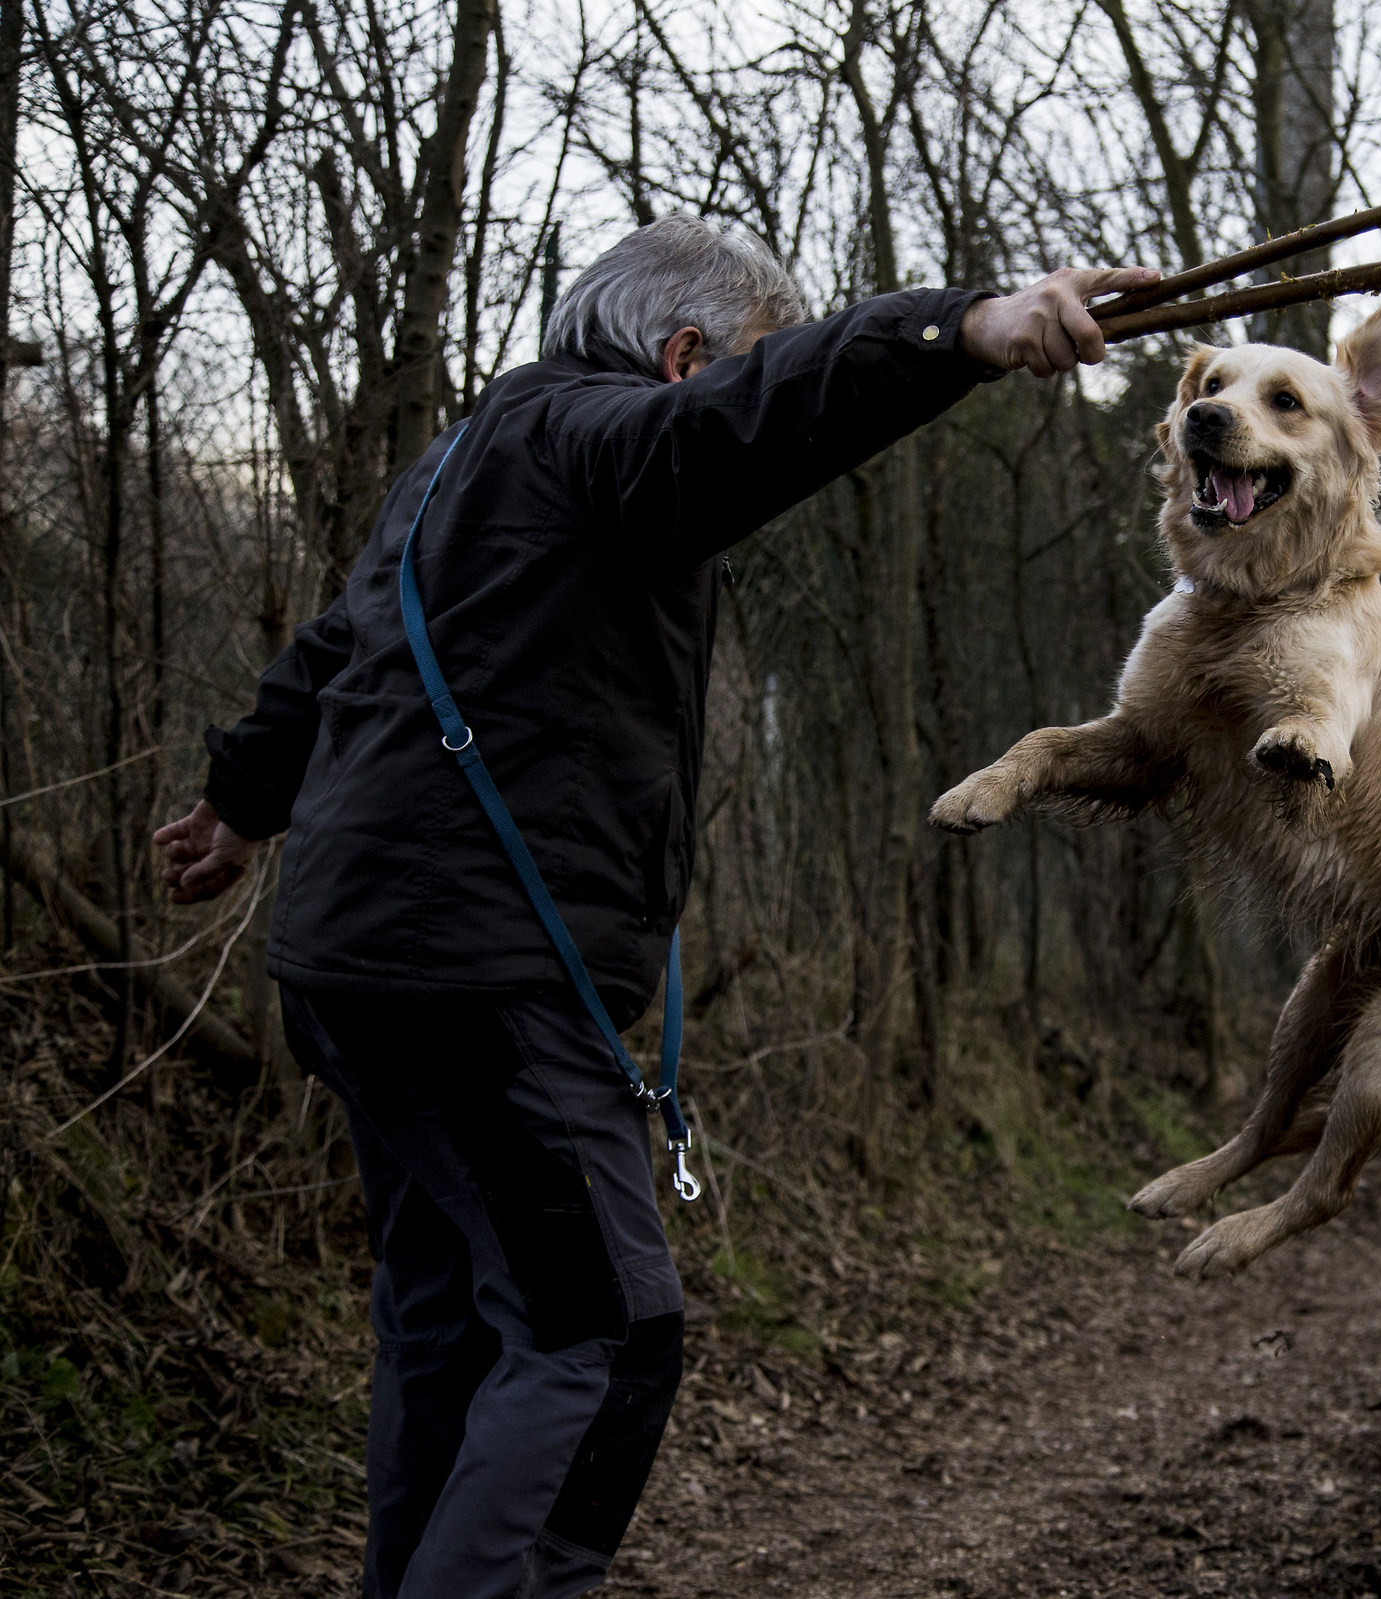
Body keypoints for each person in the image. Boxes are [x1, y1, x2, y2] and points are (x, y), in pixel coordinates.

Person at [149, 217, 1155, 1599]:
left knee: (458, 1329)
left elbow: (338, 644)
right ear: (683, 355)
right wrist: (966, 330)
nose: (740, 393)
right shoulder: (597, 436)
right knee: (602, 1329)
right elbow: (736, 427)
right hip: (473, 981)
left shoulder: (464, 463)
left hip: (360, 960)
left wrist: (239, 800)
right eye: (736, 364)